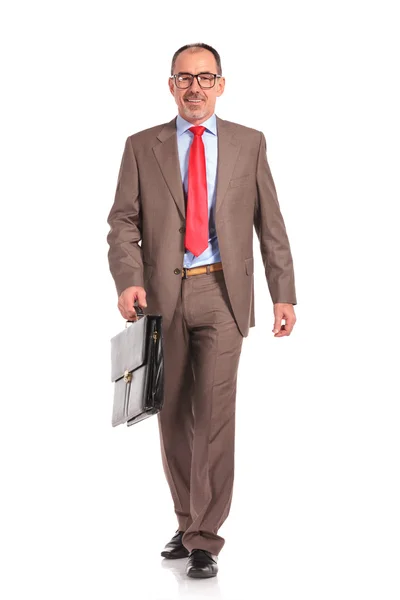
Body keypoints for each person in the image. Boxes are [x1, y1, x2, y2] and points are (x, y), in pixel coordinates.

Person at [106, 42, 297, 579]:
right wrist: (129, 280)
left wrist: (283, 291)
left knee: (213, 417)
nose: (195, 87)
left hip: (222, 294)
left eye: (205, 77)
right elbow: (122, 222)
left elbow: (271, 223)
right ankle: (187, 520)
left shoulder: (249, 143)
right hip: (161, 298)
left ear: (221, 84)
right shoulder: (142, 146)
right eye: (184, 78)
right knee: (171, 416)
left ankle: (205, 538)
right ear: (171, 85)